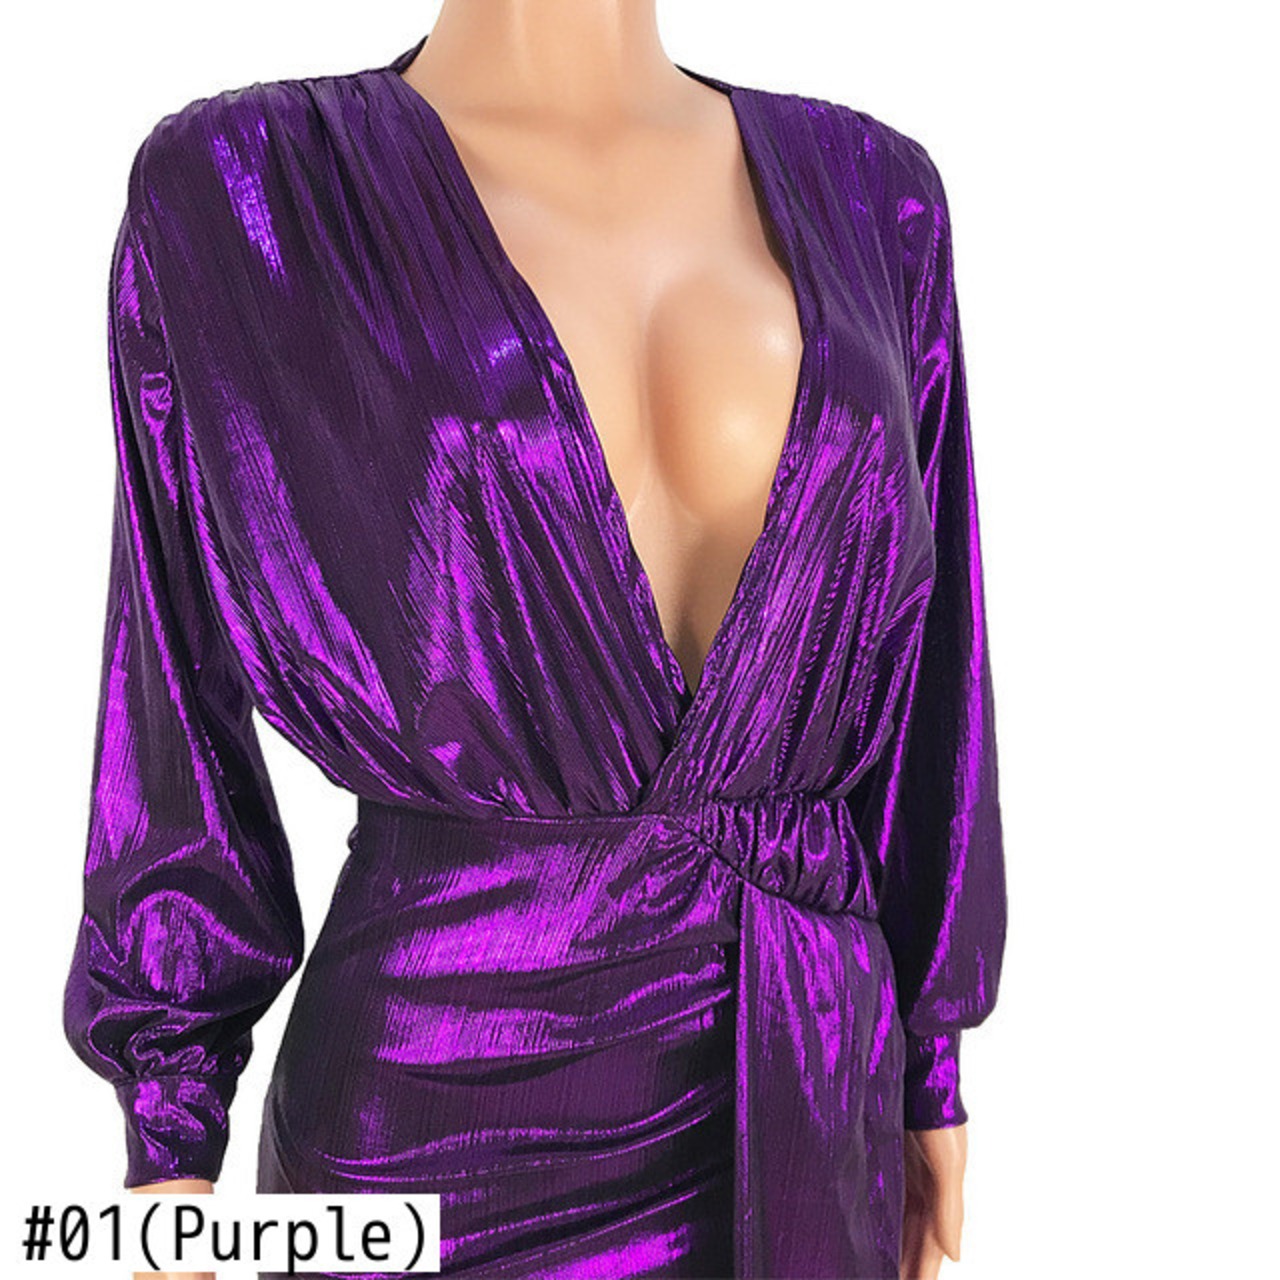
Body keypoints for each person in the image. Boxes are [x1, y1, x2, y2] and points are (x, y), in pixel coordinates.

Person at [64, 6, 1007, 1278]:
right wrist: (170, 1132)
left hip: (804, 1072)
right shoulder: (245, 187)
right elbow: (169, 680)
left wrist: (929, 1058)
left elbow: (934, 671)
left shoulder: (875, 195)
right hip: (432, 1105)